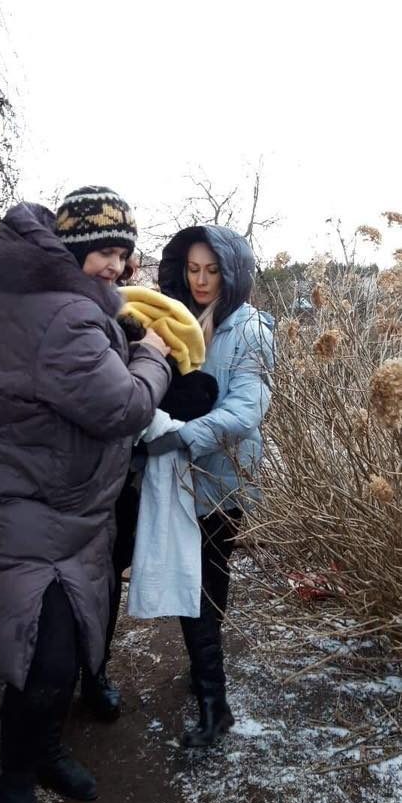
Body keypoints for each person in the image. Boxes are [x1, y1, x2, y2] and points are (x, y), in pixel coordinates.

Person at [0, 186, 171, 803]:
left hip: (51, 500)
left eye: (125, 254)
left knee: (66, 649)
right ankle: (13, 787)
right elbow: (123, 408)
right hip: (25, 505)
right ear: (73, 253)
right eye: (106, 251)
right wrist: (153, 353)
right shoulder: (68, 316)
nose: (119, 267)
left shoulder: (27, 298)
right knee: (44, 658)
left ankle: (43, 753)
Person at [147, 225, 274, 747]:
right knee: (196, 580)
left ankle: (211, 700)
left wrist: (180, 439)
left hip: (222, 474)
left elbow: (249, 407)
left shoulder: (250, 329)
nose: (201, 280)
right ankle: (207, 682)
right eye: (193, 269)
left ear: (233, 270)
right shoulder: (174, 317)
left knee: (207, 580)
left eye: (212, 270)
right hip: (176, 475)